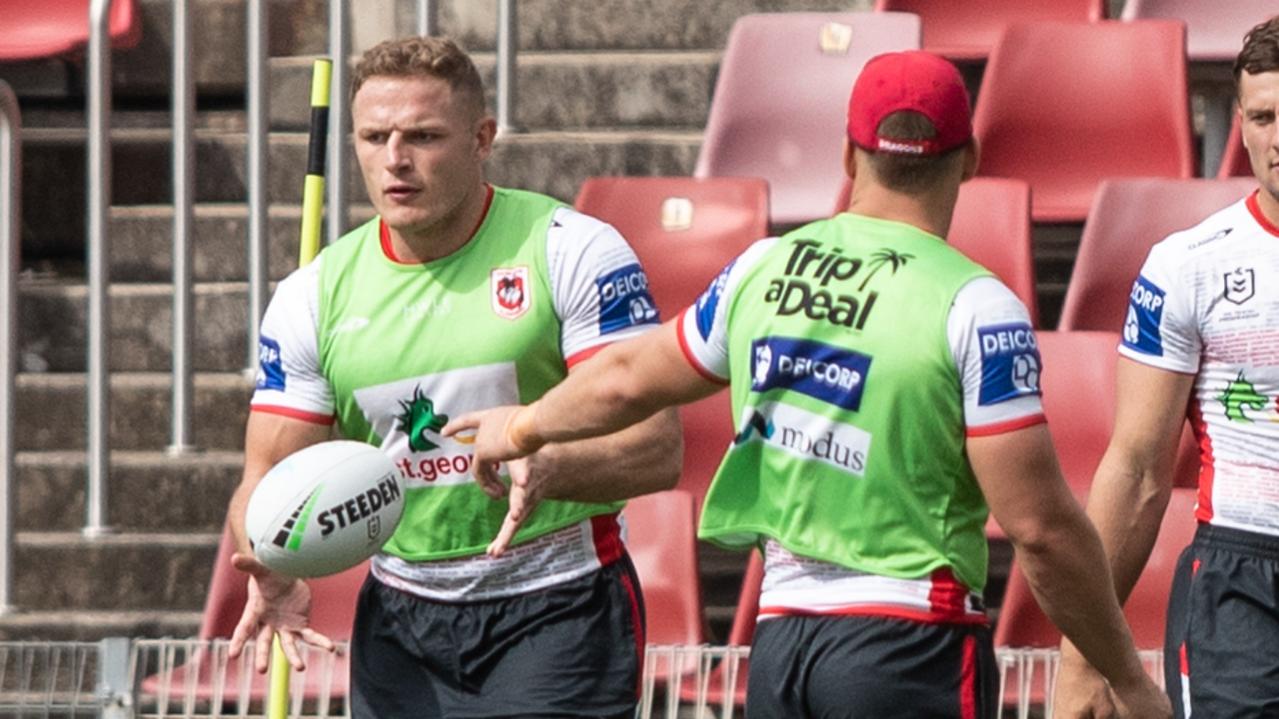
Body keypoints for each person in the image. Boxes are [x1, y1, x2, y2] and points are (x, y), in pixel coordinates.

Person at [446, 50, 1170, 718]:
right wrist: (1124, 675)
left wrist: (524, 424)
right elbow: (1039, 529)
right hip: (908, 640)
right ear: (971, 158)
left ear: (848, 155)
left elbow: (628, 379)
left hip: (781, 641)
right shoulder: (975, 305)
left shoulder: (763, 266)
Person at [223, 35, 682, 718]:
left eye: (424, 136)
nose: (395, 160)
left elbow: (657, 446)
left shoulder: (569, 248)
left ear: (481, 137)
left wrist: (551, 462)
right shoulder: (311, 295)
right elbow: (262, 481)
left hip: (556, 598)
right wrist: (268, 555)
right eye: (374, 137)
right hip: (401, 620)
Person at [1054, 15, 1279, 719]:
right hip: (1240, 578)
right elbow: (1137, 470)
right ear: (1238, 121)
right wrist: (1079, 657)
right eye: (1265, 116)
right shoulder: (1188, 265)